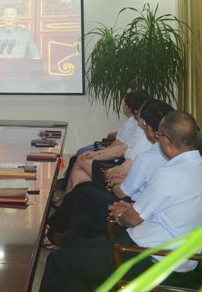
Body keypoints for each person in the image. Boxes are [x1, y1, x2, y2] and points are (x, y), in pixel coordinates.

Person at [40, 111, 202, 291]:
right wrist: (132, 207)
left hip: (154, 259)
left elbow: (131, 219)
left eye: (159, 135)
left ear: (166, 141)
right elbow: (174, 210)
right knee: (75, 247)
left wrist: (121, 214)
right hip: (176, 256)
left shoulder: (169, 174)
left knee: (58, 261)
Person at [46, 100, 172, 247]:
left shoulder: (149, 156)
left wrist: (115, 182)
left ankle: (54, 232)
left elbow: (121, 192)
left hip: (131, 204)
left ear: (147, 126)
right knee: (82, 189)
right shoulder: (166, 151)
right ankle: (60, 233)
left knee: (83, 194)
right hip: (136, 197)